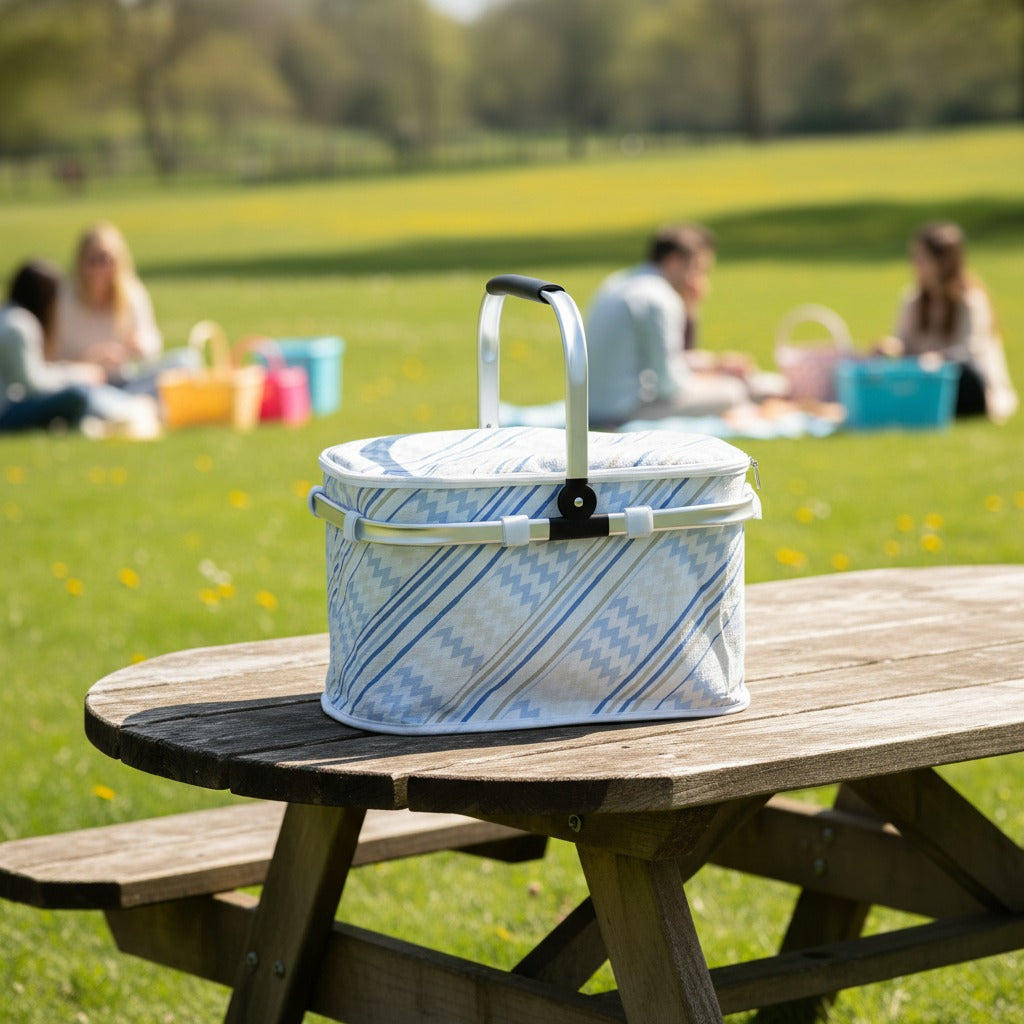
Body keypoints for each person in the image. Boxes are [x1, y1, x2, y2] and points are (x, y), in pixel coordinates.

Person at [584, 224, 751, 427]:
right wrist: (691, 308)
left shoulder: (619, 280)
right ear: (674, 261)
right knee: (733, 391)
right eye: (698, 269)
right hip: (622, 411)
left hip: (592, 405)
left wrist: (711, 365)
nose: (700, 279)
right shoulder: (659, 298)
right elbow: (668, 384)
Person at [0, 260, 160, 437]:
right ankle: (127, 410)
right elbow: (32, 385)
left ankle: (125, 408)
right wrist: (77, 374)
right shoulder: (19, 326)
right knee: (78, 394)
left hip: (11, 406)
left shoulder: (9, 317)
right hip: (6, 412)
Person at [882, 221, 1018, 422]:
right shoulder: (913, 299)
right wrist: (890, 348)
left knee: (959, 375)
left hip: (967, 383)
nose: (914, 264)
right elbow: (904, 344)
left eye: (921, 258)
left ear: (943, 263)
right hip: (923, 379)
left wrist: (937, 359)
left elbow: (968, 352)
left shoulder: (970, 300)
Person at [53, 222, 196, 394]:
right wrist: (91, 360)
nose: (101, 269)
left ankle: (123, 402)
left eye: (107, 260)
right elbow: (53, 362)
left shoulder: (131, 292)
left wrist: (139, 345)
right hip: (85, 385)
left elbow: (152, 346)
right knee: (81, 394)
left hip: (127, 381)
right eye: (94, 261)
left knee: (187, 360)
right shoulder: (65, 299)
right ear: (81, 262)